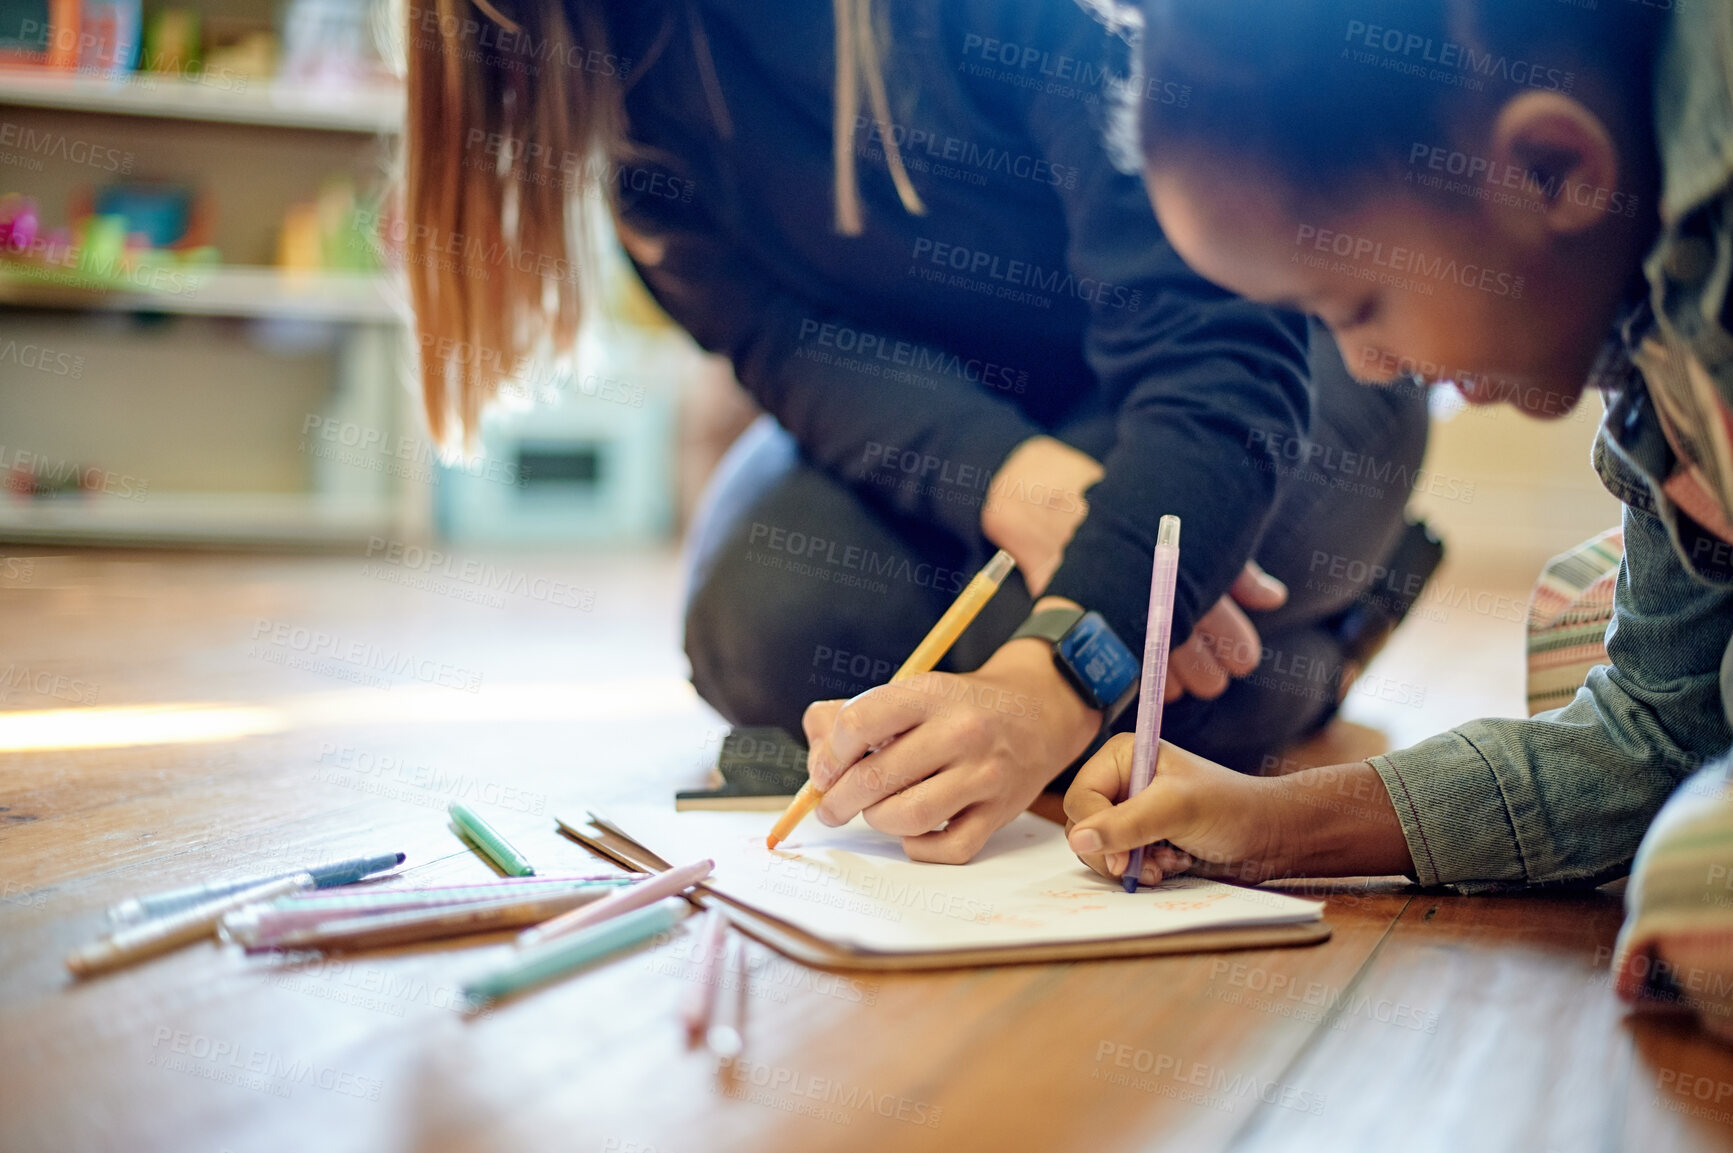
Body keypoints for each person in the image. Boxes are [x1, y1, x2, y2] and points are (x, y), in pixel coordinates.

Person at [399, 0, 1432, 865]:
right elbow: (788, 348)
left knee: (1232, 541)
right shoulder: (615, 73)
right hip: (973, 435)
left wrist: (1051, 682)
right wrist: (1015, 485)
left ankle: (1280, 635)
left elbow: (1217, 357)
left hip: (1275, 360)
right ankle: (1214, 655)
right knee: (762, 633)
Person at [1059, 0, 1733, 1037]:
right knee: (1576, 624)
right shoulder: (1645, 310)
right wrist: (1260, 821)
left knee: (1698, 898)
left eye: (1357, 307)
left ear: (1549, 169)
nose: (1370, 367)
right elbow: (1650, 730)